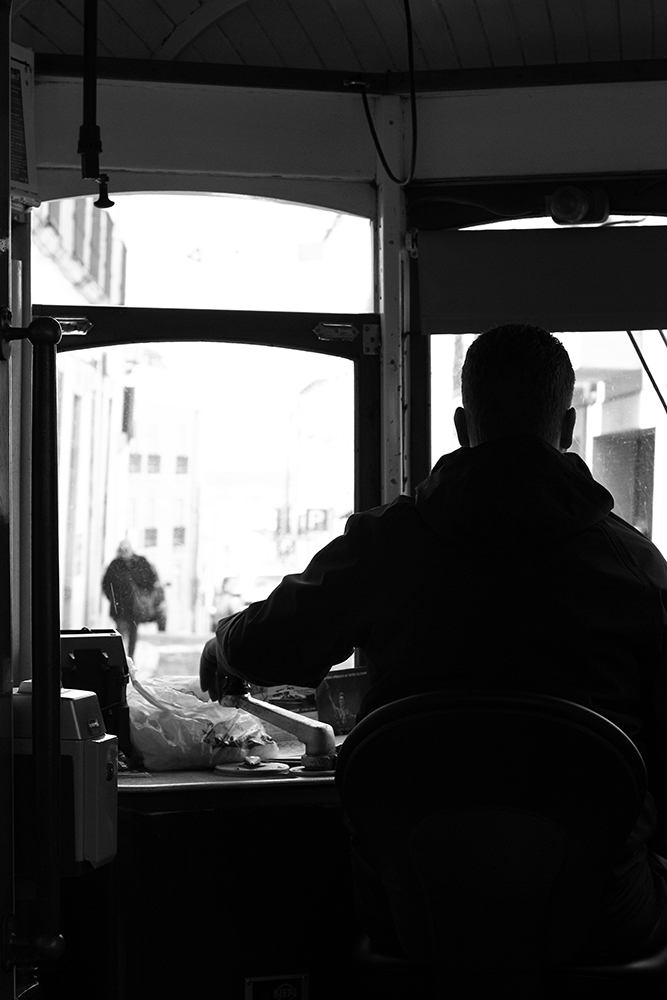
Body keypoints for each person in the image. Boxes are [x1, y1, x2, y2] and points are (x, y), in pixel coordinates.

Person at [200, 324, 667, 962]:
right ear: (565, 428)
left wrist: (226, 640)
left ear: (458, 423)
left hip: (412, 908)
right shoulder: (636, 567)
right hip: (600, 914)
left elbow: (262, 648)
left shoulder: (386, 545)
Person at [102, 539, 158, 658]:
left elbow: (151, 580)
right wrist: (113, 599)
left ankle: (130, 658)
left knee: (133, 634)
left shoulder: (141, 562)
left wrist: (145, 597)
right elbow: (106, 584)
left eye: (126, 550)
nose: (124, 553)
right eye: (121, 550)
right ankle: (121, 659)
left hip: (135, 606)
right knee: (120, 634)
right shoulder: (115, 564)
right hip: (120, 606)